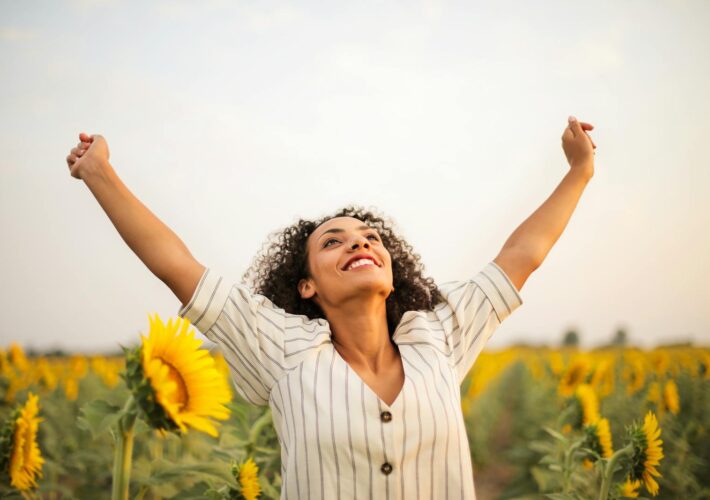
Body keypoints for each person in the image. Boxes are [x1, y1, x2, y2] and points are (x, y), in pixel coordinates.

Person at [64, 116, 595, 499]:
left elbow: (522, 256)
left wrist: (579, 172)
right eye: (333, 242)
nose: (360, 244)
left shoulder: (439, 335)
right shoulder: (282, 350)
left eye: (370, 238)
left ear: (392, 270)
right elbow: (176, 265)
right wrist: (99, 173)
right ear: (306, 287)